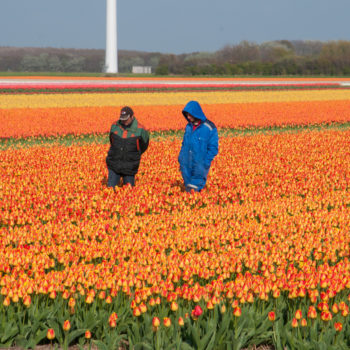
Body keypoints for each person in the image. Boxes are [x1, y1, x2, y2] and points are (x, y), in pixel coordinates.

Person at [178, 100, 219, 192]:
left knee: (194, 190)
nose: (188, 117)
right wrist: (181, 158)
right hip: (186, 165)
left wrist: (205, 162)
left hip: (199, 166)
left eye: (190, 114)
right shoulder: (188, 127)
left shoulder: (209, 127)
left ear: (196, 113)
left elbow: (213, 148)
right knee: (188, 190)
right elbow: (184, 144)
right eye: (186, 115)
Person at [106, 106, 149, 188]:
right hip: (114, 164)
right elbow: (112, 141)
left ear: (132, 117)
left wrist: (134, 154)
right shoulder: (115, 126)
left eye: (126, 119)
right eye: (122, 118)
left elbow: (144, 145)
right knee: (110, 189)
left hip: (129, 166)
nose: (124, 121)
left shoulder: (140, 130)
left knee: (129, 192)